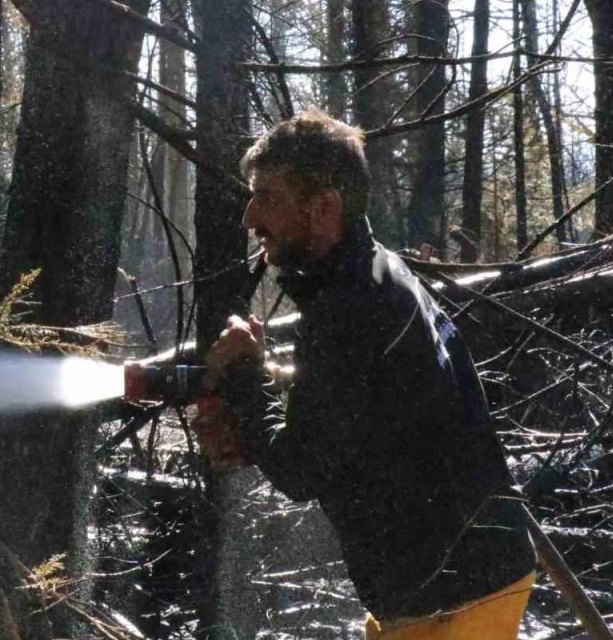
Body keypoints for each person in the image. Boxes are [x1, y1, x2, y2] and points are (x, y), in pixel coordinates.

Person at [200, 110, 536, 639]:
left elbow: (299, 470)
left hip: (453, 601)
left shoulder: (353, 307)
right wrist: (264, 383)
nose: (250, 217)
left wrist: (245, 376)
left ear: (324, 208)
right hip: (454, 585)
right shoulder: (374, 275)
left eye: (268, 197)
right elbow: (359, 410)